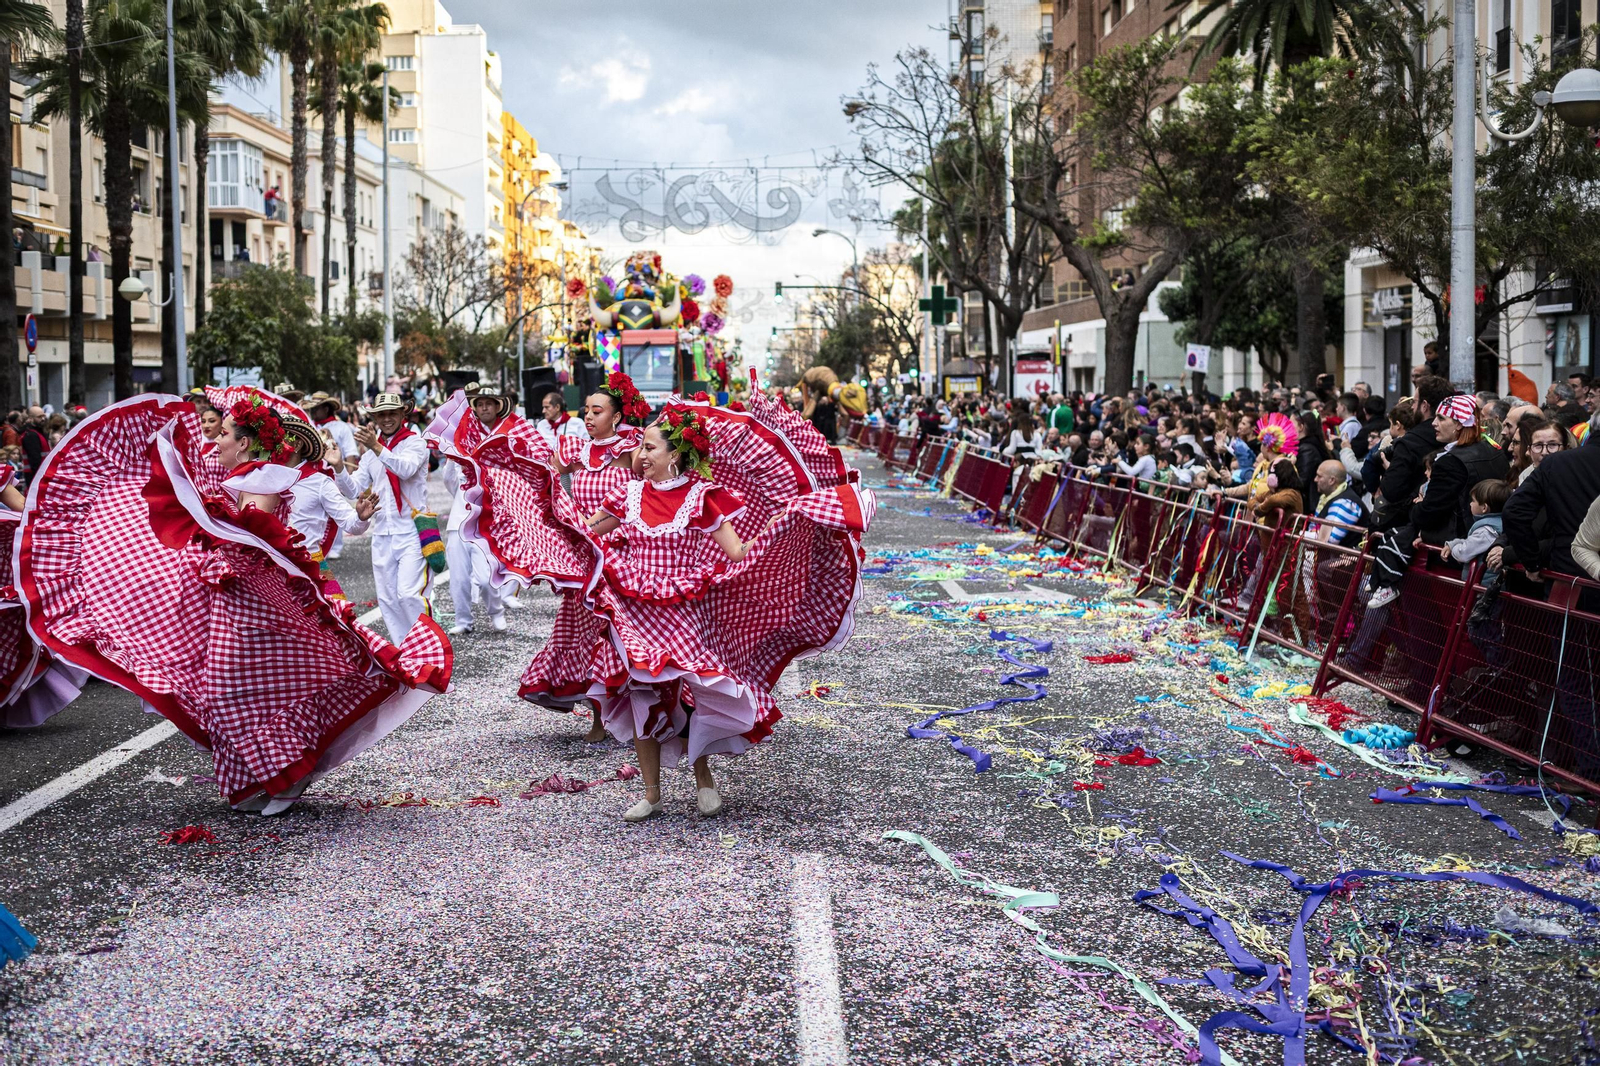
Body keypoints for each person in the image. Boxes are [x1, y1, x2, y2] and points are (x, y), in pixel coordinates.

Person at [16, 393, 451, 812]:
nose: (215, 440)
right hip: (241, 601)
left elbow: (257, 541)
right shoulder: (245, 476)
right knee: (235, 694)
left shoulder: (269, 479)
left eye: (223, 433)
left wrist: (213, 529)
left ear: (243, 442)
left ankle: (287, 775)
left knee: (236, 692)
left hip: (264, 603)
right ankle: (273, 775)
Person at [531, 372, 649, 742]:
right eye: (586, 410)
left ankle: (632, 714)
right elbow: (543, 472)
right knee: (584, 631)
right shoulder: (576, 449)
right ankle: (599, 716)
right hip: (585, 552)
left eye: (597, 411)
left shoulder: (633, 447)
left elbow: (650, 489)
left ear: (616, 416)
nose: (588, 416)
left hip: (623, 554)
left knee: (615, 632)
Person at [1367, 393, 1508, 609]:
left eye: (1442, 419)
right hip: (1483, 549)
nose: (1434, 423)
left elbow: (1428, 513)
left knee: (1447, 629)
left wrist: (1418, 506)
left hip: (1452, 556)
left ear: (1460, 424)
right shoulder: (1494, 450)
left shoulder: (1451, 462)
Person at [350, 392, 431, 641]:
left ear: (402, 415)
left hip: (411, 531)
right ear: (375, 417)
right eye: (381, 414)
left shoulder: (415, 443)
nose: (386, 419)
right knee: (387, 600)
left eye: (391, 413)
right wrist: (338, 467)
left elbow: (404, 469)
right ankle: (405, 660)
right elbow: (353, 488)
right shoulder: (369, 455)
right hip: (382, 532)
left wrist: (375, 446)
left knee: (409, 594)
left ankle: (429, 655)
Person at [442, 386, 516, 636]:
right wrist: (465, 496)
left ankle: (496, 611)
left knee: (486, 577)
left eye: (488, 403)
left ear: (497, 407)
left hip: (488, 516)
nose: (483, 407)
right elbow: (449, 478)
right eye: (479, 403)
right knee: (459, 577)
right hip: (459, 517)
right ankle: (464, 620)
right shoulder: (461, 436)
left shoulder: (506, 437)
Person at [283, 415, 375, 603]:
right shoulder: (262, 478)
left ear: (298, 444)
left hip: (311, 565)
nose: (273, 443)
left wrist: (361, 517)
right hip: (273, 567)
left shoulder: (320, 482)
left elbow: (352, 525)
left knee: (334, 622)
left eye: (281, 436)